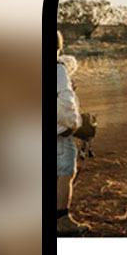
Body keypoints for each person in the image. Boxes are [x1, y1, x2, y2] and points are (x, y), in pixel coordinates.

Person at [54, 29, 84, 234]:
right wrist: (73, 124)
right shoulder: (58, 69)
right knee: (66, 172)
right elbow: (65, 102)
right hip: (58, 133)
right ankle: (62, 220)